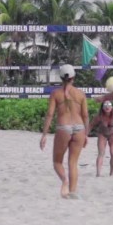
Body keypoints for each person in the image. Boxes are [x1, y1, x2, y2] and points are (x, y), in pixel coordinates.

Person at [40, 64, 89, 199]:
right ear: (74, 77)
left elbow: (50, 114)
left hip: (64, 127)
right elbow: (85, 115)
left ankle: (65, 181)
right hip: (79, 128)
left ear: (61, 78)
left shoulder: (56, 94)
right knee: (73, 163)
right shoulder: (80, 94)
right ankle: (72, 192)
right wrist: (86, 134)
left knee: (57, 162)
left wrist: (44, 135)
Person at [89, 100, 113, 177]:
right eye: (105, 105)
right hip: (102, 134)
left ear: (112, 107)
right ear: (102, 107)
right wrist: (84, 135)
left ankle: (111, 173)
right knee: (101, 153)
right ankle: (98, 173)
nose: (107, 107)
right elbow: (90, 125)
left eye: (109, 105)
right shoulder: (99, 116)